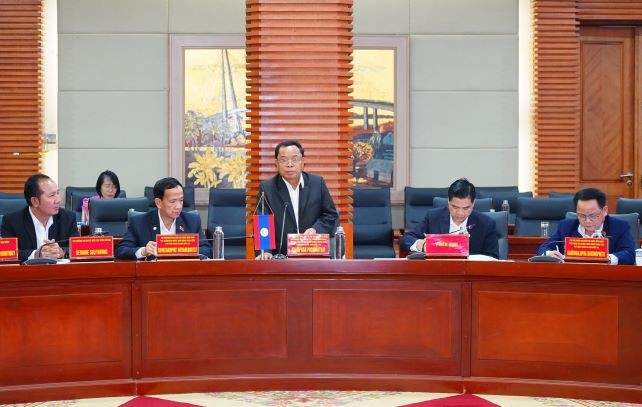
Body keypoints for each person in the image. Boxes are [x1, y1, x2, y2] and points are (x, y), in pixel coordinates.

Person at [256, 139, 339, 259]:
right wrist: (265, 251)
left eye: (295, 159)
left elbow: (330, 215)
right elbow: (263, 222)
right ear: (276, 163)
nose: (290, 164)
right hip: (281, 256)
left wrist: (316, 229)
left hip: (314, 252)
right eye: (283, 160)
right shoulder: (267, 188)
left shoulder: (317, 183)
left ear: (303, 162)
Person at [115, 177, 212, 259]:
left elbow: (207, 250)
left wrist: (187, 249)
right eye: (173, 201)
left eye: (181, 200)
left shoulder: (192, 221)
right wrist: (144, 251)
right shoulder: (139, 222)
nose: (178, 206)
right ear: (158, 203)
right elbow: (121, 251)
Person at [400, 178, 499, 259]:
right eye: (455, 207)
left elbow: (493, 257)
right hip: (439, 273)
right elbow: (406, 239)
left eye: (466, 208)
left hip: (470, 276)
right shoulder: (433, 217)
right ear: (448, 202)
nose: (460, 213)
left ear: (473, 204)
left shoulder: (486, 223)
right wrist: (421, 245)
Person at [537, 188, 635, 265]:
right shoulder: (566, 226)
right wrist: (549, 254)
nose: (587, 221)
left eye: (593, 215)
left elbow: (630, 254)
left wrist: (607, 258)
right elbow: (543, 248)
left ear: (605, 211)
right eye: (581, 215)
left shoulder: (619, 226)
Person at [0, 173, 79, 262]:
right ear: (35, 201)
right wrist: (36, 254)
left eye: (57, 193)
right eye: (52, 195)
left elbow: (77, 249)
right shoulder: (11, 222)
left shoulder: (68, 218)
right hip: (26, 274)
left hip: (60, 273)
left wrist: (61, 252)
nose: (58, 200)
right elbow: (8, 252)